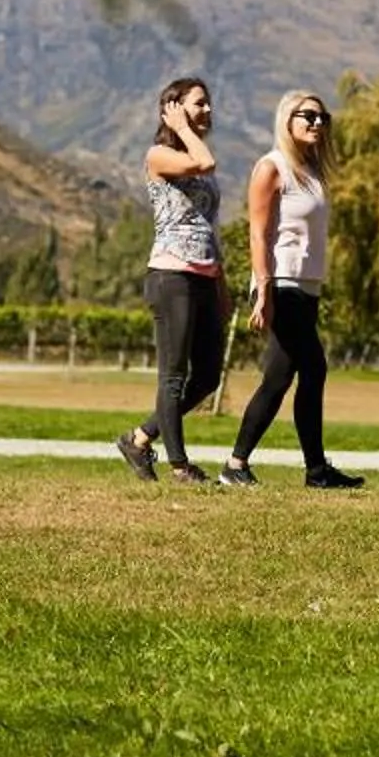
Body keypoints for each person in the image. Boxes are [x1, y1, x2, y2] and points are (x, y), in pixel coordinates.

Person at [221, 90, 364, 489]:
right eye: (308, 116)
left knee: (284, 376)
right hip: (280, 284)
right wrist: (263, 290)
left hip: (306, 286)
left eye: (323, 118)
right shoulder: (272, 167)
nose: (318, 123)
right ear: (288, 120)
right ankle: (256, 466)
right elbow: (258, 233)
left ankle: (277, 467)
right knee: (306, 369)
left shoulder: (312, 173)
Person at [117, 77, 228, 485]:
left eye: (209, 103)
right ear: (175, 108)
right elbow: (204, 163)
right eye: (200, 104)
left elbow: (210, 227)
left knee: (209, 375)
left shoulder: (197, 155)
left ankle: (141, 437)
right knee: (174, 375)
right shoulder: (158, 155)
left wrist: (222, 285)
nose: (209, 111)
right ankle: (180, 466)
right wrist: (182, 128)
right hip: (171, 275)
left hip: (205, 276)